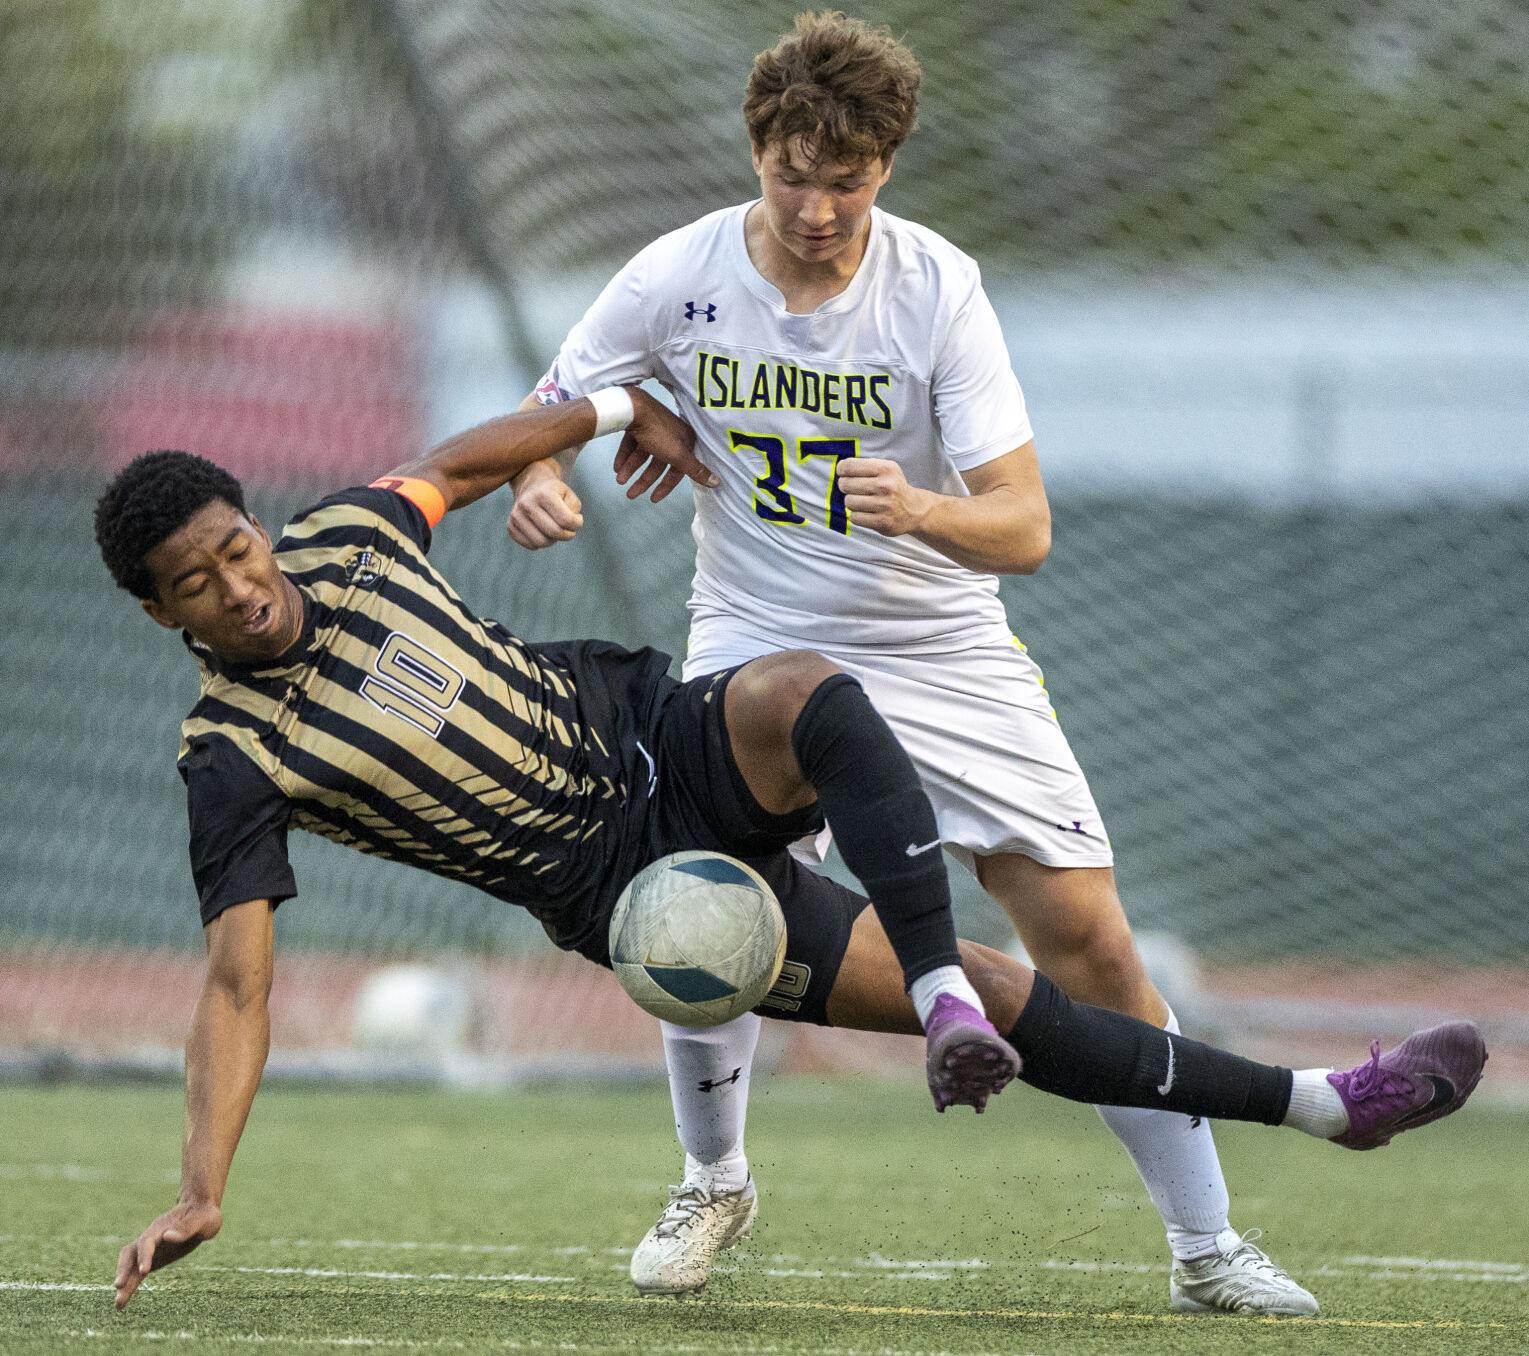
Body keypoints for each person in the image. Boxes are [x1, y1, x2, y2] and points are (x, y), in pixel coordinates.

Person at [97, 394, 1483, 1313]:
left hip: (656, 732)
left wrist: (601, 414)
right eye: (198, 583)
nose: (238, 583)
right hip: (632, 892)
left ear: (256, 525)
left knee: (805, 688)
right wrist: (201, 1187)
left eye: (236, 546)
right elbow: (236, 984)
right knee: (1009, 996)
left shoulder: (347, 530)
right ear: (165, 614)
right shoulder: (229, 759)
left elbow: (458, 462)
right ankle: (1320, 1105)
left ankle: (931, 996)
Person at [500, 9, 1396, 1317]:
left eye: (844, 182)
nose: (814, 208)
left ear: (888, 166)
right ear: (757, 151)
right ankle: (714, 1181)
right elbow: (544, 414)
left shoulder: (933, 287)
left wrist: (920, 508)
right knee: (694, 899)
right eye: (791, 177)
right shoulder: (674, 275)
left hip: (939, 649)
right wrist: (540, 479)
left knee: (1085, 935)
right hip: (759, 644)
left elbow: (1021, 528)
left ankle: (1206, 1247)